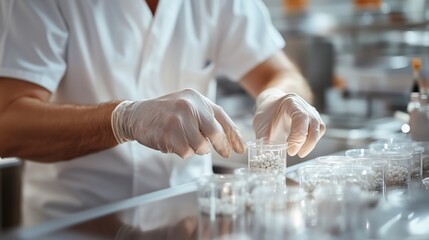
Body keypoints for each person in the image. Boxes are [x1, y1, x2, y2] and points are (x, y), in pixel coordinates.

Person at [0, 0, 325, 230]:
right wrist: (122, 119)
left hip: (188, 220)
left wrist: (282, 95)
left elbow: (279, 73)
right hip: (76, 222)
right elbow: (7, 124)